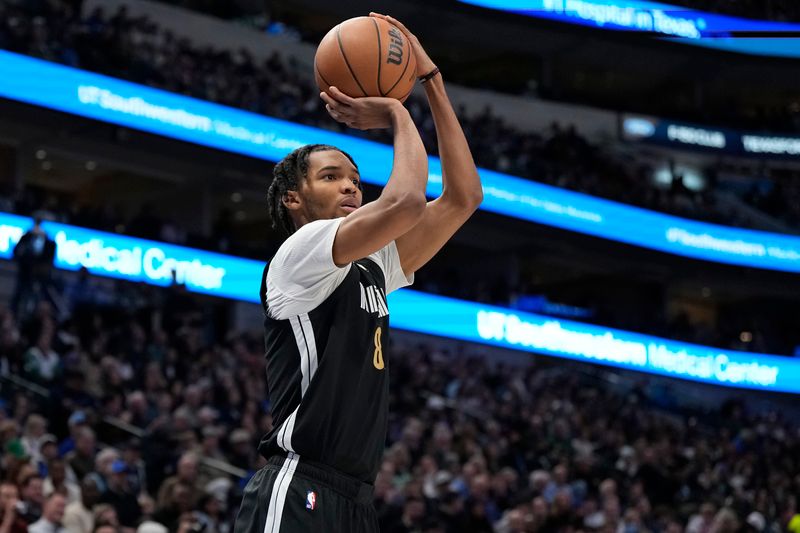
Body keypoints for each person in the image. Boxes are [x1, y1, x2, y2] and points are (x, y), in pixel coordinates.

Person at [233, 12, 482, 533]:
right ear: (294, 200)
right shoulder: (300, 251)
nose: (351, 187)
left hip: (356, 499)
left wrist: (431, 82)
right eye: (331, 177)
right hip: (299, 483)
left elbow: (463, 197)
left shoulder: (372, 264)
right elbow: (408, 199)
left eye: (354, 178)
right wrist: (396, 110)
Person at [11, 217, 56, 316]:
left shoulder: (50, 243)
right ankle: (14, 316)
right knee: (19, 296)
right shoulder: (26, 237)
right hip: (25, 274)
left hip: (40, 276)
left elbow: (51, 260)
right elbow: (15, 252)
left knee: (38, 298)